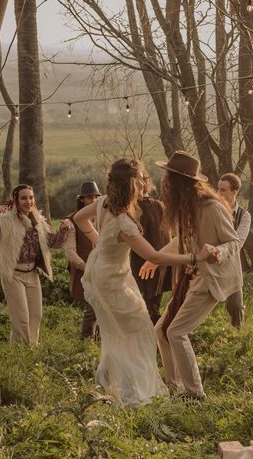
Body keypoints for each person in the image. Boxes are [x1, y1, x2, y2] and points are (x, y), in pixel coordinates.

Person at [74, 158, 216, 406]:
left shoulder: (102, 203)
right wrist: (196, 256)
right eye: (139, 178)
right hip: (111, 280)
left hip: (103, 272)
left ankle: (109, 382)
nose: (143, 182)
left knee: (117, 332)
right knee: (141, 331)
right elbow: (153, 255)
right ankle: (134, 391)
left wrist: (100, 244)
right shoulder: (123, 222)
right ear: (129, 183)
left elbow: (79, 219)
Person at [146, 151, 241, 401]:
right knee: (162, 329)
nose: (164, 182)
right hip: (191, 276)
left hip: (211, 278)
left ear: (181, 182)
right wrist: (154, 258)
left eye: (169, 178)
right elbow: (183, 239)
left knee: (176, 331)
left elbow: (233, 241)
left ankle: (194, 394)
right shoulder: (187, 207)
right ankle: (175, 388)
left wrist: (216, 252)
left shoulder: (211, 207)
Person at [0, 184, 70, 345]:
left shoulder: (38, 221)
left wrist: (63, 229)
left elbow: (53, 242)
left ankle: (31, 347)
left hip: (32, 273)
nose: (28, 201)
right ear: (16, 200)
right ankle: (22, 350)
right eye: (24, 198)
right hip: (13, 274)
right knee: (21, 317)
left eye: (31, 197)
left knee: (36, 315)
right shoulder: (5, 220)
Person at [130, 170, 172, 325]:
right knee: (153, 303)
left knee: (145, 305)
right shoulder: (159, 205)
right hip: (161, 260)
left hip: (142, 262)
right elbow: (168, 236)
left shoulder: (135, 209)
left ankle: (157, 335)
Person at [64, 181, 101, 339]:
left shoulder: (101, 218)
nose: (92, 200)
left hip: (103, 268)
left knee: (102, 305)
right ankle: (85, 339)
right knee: (92, 306)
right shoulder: (72, 220)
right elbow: (70, 251)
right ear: (82, 200)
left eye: (95, 197)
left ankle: (98, 338)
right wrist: (86, 267)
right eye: (89, 197)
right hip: (84, 269)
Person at [217, 172, 252, 328]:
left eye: (223, 190)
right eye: (218, 189)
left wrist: (218, 251)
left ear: (234, 191)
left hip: (231, 264)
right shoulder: (214, 210)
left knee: (236, 306)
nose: (219, 193)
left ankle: (237, 335)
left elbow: (239, 241)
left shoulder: (244, 216)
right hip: (210, 263)